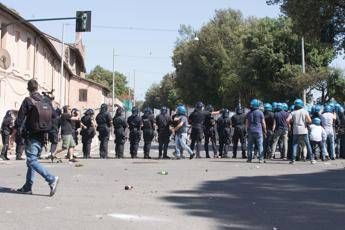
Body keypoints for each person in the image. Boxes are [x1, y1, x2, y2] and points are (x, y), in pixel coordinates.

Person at [14, 79, 59, 196]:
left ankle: (51, 179)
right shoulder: (46, 100)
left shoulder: (28, 100)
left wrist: (16, 130)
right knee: (32, 161)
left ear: (28, 89)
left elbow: (19, 119)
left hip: (32, 135)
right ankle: (28, 186)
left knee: (31, 160)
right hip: (43, 135)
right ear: (37, 87)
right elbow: (55, 116)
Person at [288, 99, 313, 164]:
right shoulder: (305, 111)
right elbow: (310, 121)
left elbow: (287, 120)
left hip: (296, 130)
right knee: (308, 144)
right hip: (304, 130)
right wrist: (306, 123)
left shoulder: (293, 112)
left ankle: (293, 160)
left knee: (294, 145)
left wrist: (292, 123)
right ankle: (312, 159)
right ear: (301, 105)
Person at [246, 99, 267, 163]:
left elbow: (247, 123)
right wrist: (265, 130)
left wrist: (247, 130)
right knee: (260, 145)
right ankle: (261, 159)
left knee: (250, 146)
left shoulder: (248, 113)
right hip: (258, 131)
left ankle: (249, 159)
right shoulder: (260, 113)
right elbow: (263, 123)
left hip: (251, 131)